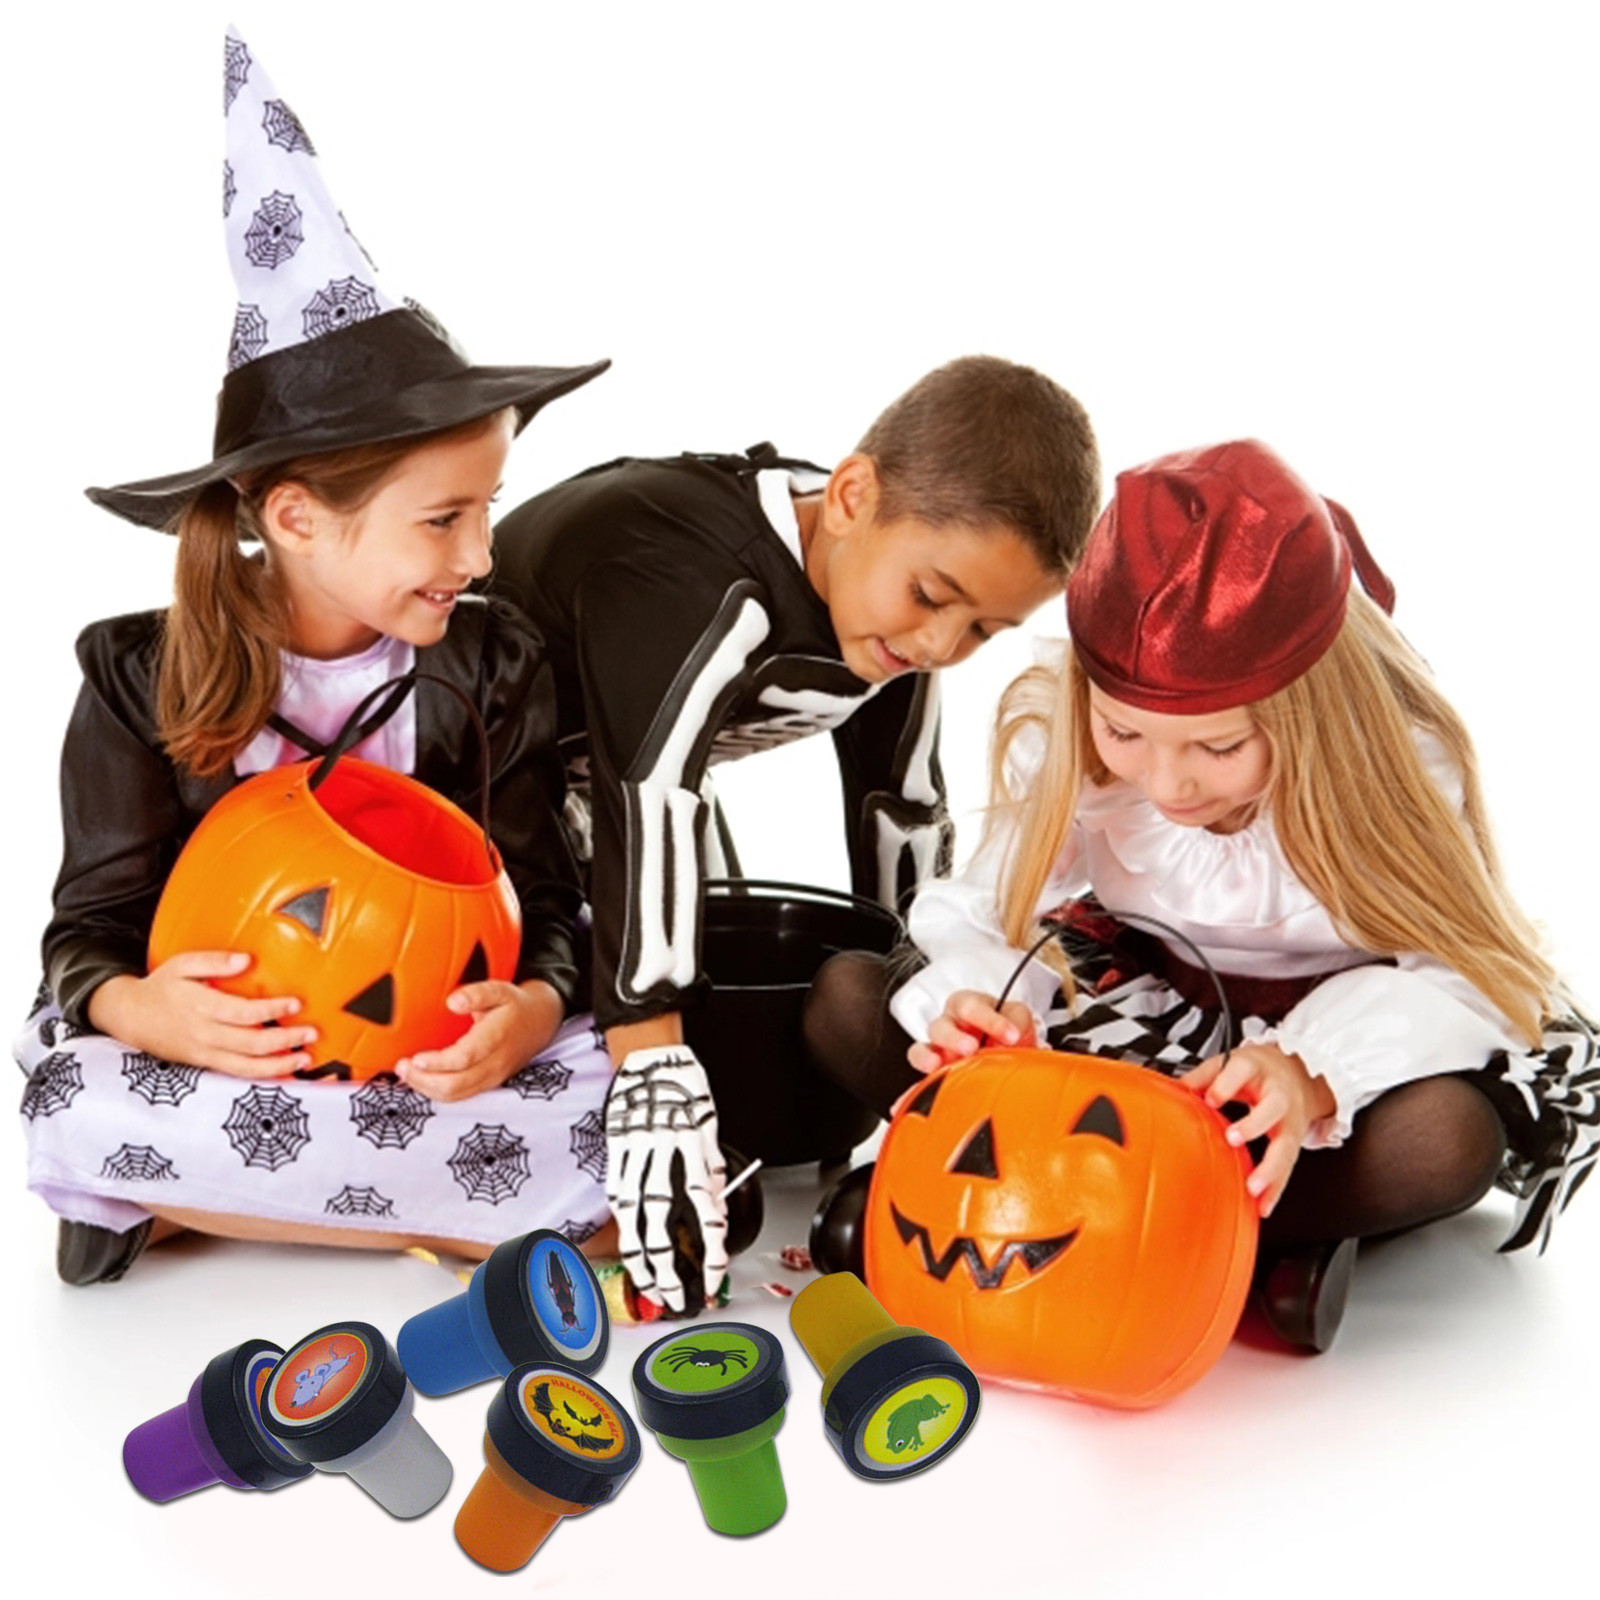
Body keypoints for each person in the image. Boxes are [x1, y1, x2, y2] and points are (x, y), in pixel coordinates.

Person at [16, 30, 612, 1286]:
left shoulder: (492, 663)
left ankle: (201, 1202)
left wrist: (531, 1013)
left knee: (595, 1088)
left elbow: (547, 895)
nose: (481, 555)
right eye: (442, 520)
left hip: (426, 1062)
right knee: (72, 1086)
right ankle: (441, 1215)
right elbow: (88, 927)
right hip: (223, 1056)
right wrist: (141, 1008)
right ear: (294, 517)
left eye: (489, 510)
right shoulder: (137, 675)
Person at [817, 440, 1596, 1351]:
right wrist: (982, 1004)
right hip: (1146, 1009)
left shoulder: (1400, 766)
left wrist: (1307, 1075)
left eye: (1219, 748)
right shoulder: (1068, 740)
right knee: (848, 1001)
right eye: (1127, 734)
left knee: (1445, 1141)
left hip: (1327, 1050)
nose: (1168, 785)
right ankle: (1230, 1242)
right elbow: (993, 909)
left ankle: (1161, 1232)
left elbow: (1466, 973)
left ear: (1309, 712)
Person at [487, 360, 1101, 1313]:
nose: (940, 647)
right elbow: (652, 797)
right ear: (850, 496)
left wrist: (928, 1010)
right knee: (612, 988)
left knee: (717, 929)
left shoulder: (877, 584)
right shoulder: (691, 574)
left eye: (984, 629)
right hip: (476, 796)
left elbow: (902, 810)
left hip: (620, 793)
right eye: (931, 597)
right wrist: (654, 1079)